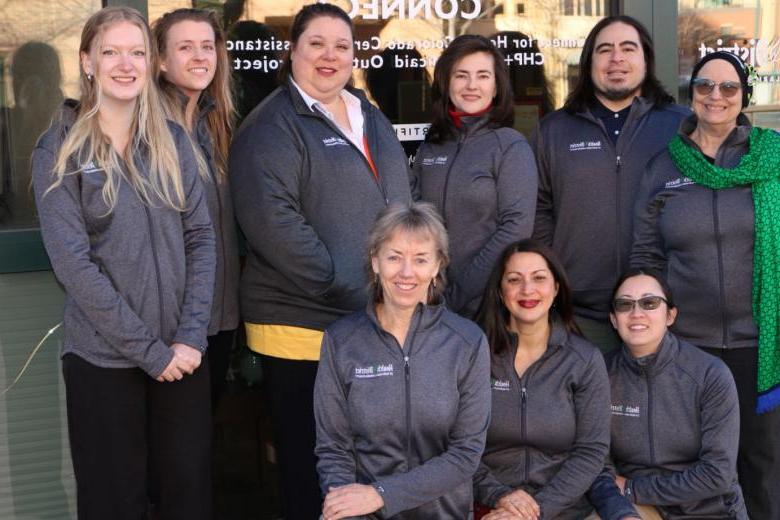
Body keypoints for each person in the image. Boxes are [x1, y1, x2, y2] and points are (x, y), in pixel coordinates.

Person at [229, 4, 412, 518]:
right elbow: (275, 226)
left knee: (361, 471)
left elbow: (398, 200)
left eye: (342, 46)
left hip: (365, 323)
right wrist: (353, 288)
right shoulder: (271, 127)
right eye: (316, 44)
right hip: (302, 330)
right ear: (293, 51)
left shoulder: (366, 112)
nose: (329, 56)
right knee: (312, 472)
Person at [31, 7, 215, 519]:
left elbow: (201, 237)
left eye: (136, 52)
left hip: (183, 356)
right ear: (87, 62)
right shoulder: (59, 150)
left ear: (151, 62)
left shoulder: (173, 142)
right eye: (110, 52)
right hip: (104, 363)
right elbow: (74, 266)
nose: (124, 64)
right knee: (114, 503)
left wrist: (191, 335)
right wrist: (149, 352)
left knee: (187, 499)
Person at [631, 50, 780, 520]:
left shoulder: (773, 157)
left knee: (763, 470)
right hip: (688, 347)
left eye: (728, 87)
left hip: (763, 347)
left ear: (744, 96)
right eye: (704, 86)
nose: (715, 96)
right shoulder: (663, 166)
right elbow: (646, 255)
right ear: (690, 93)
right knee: (696, 470)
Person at [314, 201, 490, 519]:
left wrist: (381, 495)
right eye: (394, 257)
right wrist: (343, 505)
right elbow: (333, 448)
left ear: (437, 266)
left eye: (420, 259)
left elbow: (466, 454)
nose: (406, 272)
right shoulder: (341, 341)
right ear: (375, 262)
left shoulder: (467, 342)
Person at [532, 15, 688, 352]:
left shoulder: (681, 126)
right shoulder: (554, 130)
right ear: (590, 63)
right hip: (579, 314)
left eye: (628, 48)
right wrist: (556, 279)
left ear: (646, 59)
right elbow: (539, 210)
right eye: (605, 50)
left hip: (660, 309)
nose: (616, 58)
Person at [588, 270, 747, 520]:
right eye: (624, 304)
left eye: (649, 303)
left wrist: (633, 488)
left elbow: (717, 473)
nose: (636, 313)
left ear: (670, 315)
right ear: (613, 319)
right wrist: (621, 513)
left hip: (709, 511)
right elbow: (595, 464)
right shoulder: (599, 376)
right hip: (637, 508)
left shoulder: (710, 374)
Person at [474, 239, 610, 520]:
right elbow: (457, 444)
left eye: (539, 278)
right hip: (490, 506)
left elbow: (591, 452)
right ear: (500, 291)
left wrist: (536, 511)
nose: (527, 290)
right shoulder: (473, 354)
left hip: (563, 509)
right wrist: (499, 496)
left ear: (556, 288)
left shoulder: (583, 360)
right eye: (514, 279)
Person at [413, 35, 537, 319]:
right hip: (430, 301)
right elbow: (415, 219)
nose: (471, 85)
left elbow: (516, 227)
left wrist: (459, 293)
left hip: (487, 305)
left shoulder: (509, 145)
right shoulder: (432, 145)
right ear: (446, 83)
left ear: (496, 87)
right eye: (461, 75)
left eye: (483, 76)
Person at [153, 8, 239, 410]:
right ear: (161, 59)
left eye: (207, 46)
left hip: (220, 319)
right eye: (185, 47)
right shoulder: (149, 131)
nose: (200, 56)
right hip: (174, 327)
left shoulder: (215, 124)